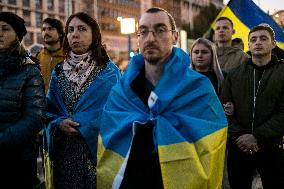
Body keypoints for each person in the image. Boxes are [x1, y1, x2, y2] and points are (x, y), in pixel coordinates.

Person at [97, 7, 228, 189]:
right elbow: (108, 137)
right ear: (138, 38)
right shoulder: (121, 91)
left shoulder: (198, 88)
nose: (150, 38)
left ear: (174, 37)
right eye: (143, 31)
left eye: (160, 30)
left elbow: (213, 141)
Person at [44, 12, 121, 189]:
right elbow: (48, 112)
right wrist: (59, 123)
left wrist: (86, 124)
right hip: (65, 156)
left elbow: (117, 112)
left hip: (98, 157)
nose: (75, 35)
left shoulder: (110, 72)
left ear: (94, 34)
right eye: (70, 30)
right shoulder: (58, 72)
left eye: (82, 29)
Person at [221, 24, 284, 189]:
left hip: (271, 147)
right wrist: (241, 136)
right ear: (248, 45)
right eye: (253, 39)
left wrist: (256, 137)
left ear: (273, 44)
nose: (258, 42)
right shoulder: (234, 75)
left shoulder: (282, 73)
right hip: (238, 147)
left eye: (263, 39)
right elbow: (224, 111)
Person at [0, 12, 45, 188]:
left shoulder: (29, 71)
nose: (0, 33)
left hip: (18, 160)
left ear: (17, 35)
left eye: (5, 29)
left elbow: (35, 118)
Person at [36, 17, 65, 91]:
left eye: (50, 28)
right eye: (44, 29)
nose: (46, 32)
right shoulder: (39, 56)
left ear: (60, 33)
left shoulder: (68, 56)